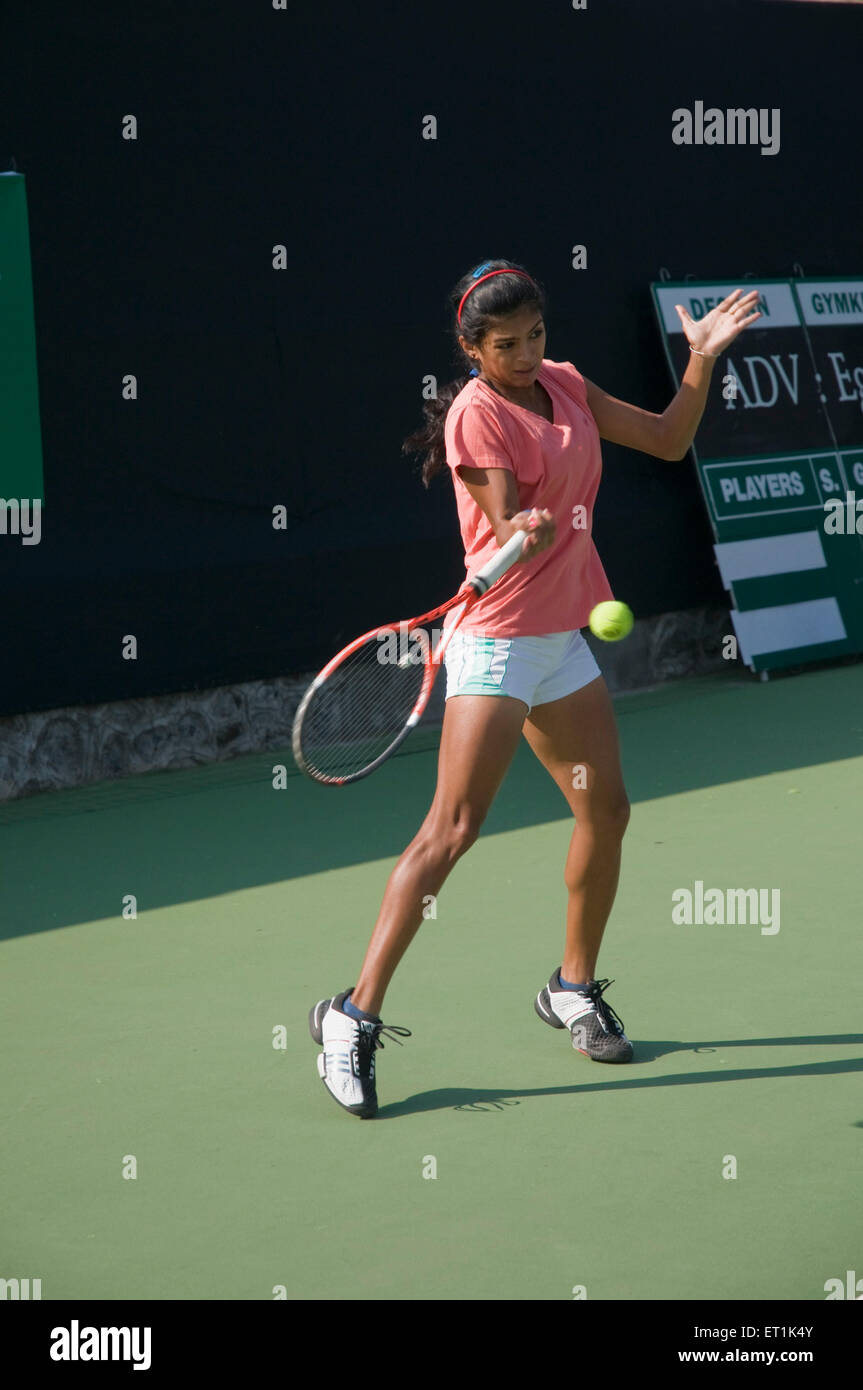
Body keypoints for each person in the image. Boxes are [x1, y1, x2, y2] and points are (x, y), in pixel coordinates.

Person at [309, 259, 761, 1118]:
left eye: (535, 336)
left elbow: (667, 439)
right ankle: (351, 1015)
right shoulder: (476, 417)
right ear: (470, 347)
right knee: (452, 831)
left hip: (561, 641)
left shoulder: (565, 383)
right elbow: (505, 526)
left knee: (607, 812)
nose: (524, 355)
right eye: (504, 344)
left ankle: (571, 987)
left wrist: (699, 357)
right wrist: (524, 531)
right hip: (496, 648)